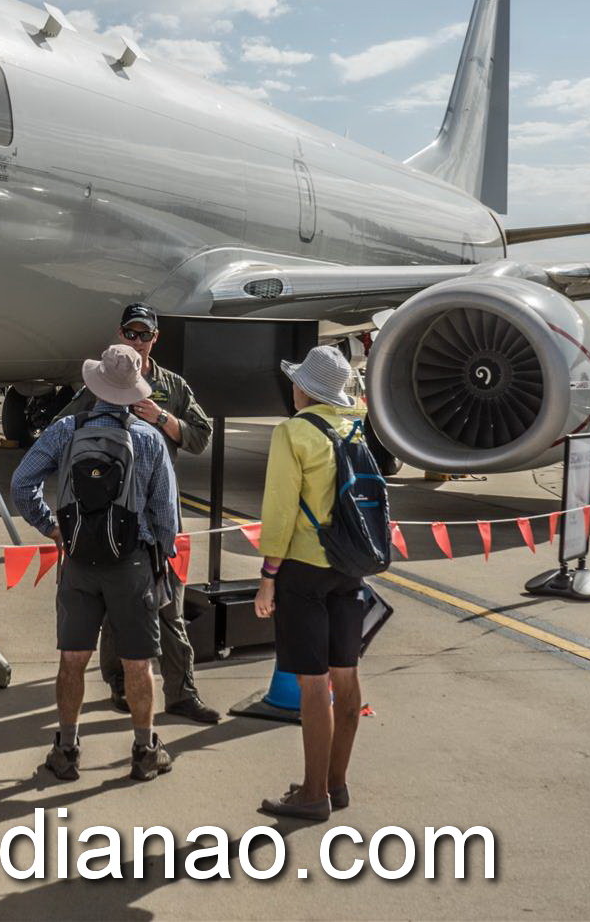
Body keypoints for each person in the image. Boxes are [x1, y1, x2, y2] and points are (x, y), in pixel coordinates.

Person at [11, 343, 180, 783]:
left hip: (80, 562)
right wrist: (162, 558)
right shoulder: (149, 439)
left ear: (97, 384)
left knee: (72, 659)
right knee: (138, 664)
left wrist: (52, 528)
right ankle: (145, 751)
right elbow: (166, 516)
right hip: (132, 564)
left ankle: (66, 750)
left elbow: (22, 483)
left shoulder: (65, 430)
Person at [58, 304, 219, 725]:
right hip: (111, 518)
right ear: (119, 334)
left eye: (143, 334)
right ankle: (119, 686)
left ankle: (182, 692)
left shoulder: (172, 386)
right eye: (129, 333)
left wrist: (162, 419)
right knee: (116, 612)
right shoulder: (101, 381)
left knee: (171, 606)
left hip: (161, 513)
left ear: (155, 338)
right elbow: (64, 428)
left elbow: (201, 436)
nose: (136, 341)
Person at [252, 345, 369, 822]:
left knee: (312, 682)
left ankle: (312, 794)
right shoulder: (354, 425)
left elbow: (279, 512)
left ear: (304, 388)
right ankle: (336, 782)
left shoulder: (293, 432)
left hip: (304, 568)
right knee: (346, 673)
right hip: (349, 563)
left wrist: (267, 579)